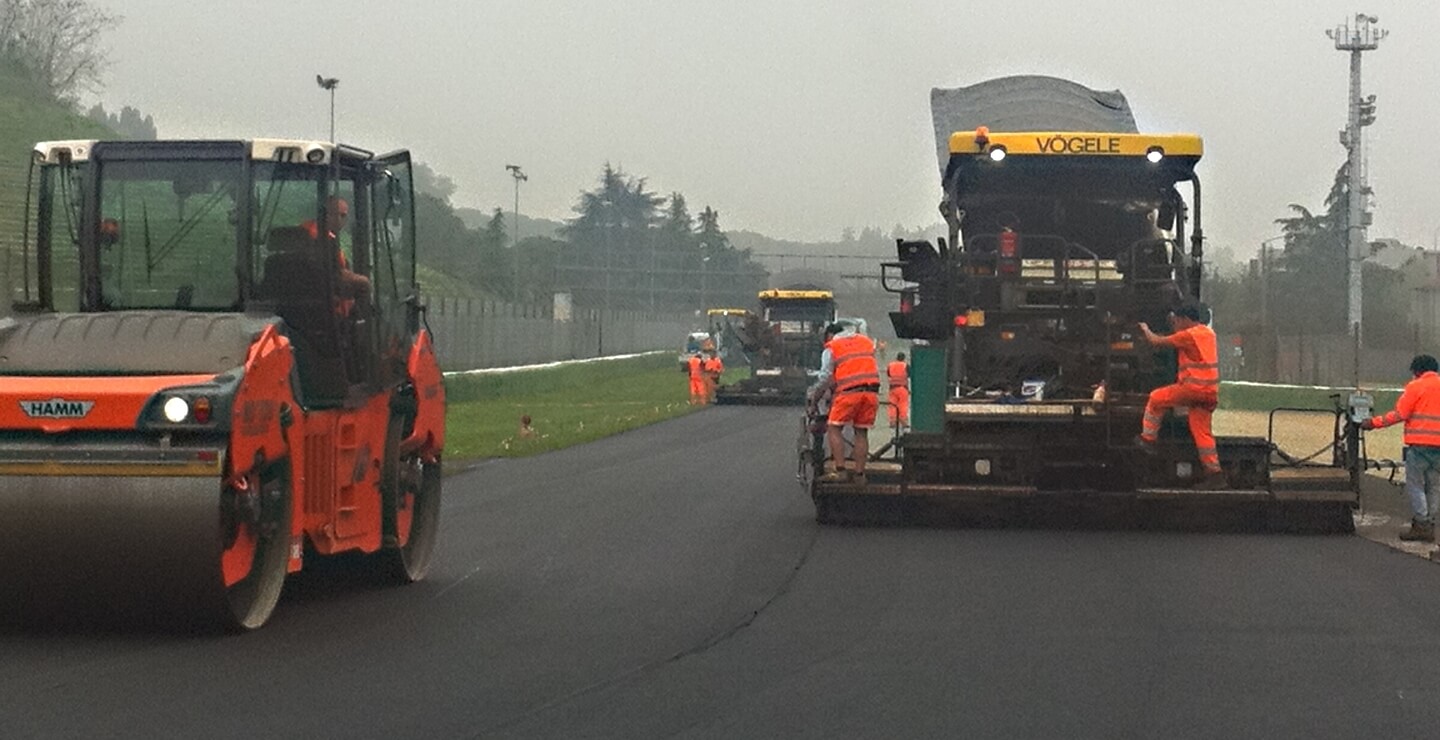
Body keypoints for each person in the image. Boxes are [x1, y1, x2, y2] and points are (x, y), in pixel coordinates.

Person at [1135, 301, 1224, 488]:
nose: (1175, 324)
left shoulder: (1189, 335)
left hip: (1193, 389)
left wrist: (1145, 329)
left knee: (1156, 398)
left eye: (1176, 320)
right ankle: (1215, 474)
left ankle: (1148, 440)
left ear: (1185, 319)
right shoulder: (1208, 334)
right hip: (1210, 392)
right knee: (1202, 433)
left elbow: (1156, 342)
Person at [1362, 354, 1440, 541]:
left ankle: (1421, 524)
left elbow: (1400, 414)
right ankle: (1430, 522)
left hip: (1419, 446)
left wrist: (1373, 423)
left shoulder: (1415, 387)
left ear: (1418, 371)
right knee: (1435, 486)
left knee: (1416, 486)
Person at [809, 322, 880, 484]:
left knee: (834, 428)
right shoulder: (865, 341)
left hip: (848, 393)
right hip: (871, 392)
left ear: (828, 336)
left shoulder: (832, 347)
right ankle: (860, 474)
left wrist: (815, 400)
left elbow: (825, 378)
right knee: (861, 432)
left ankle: (840, 470)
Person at [301, 196, 370, 314]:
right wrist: (362, 280)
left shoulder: (303, 234)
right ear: (328, 215)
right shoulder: (323, 240)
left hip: (302, 301)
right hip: (324, 305)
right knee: (364, 284)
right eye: (341, 215)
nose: (343, 220)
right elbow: (337, 275)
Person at [886, 351, 910, 428]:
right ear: (904, 358)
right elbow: (909, 375)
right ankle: (903, 422)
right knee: (903, 405)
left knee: (892, 405)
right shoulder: (905, 365)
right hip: (902, 388)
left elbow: (888, 374)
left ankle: (892, 422)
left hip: (892, 388)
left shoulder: (891, 365)